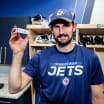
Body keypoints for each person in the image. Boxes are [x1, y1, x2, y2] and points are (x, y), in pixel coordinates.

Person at [8, 9, 104, 104]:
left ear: (74, 27)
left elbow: (97, 97)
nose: (61, 32)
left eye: (66, 25)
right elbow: (14, 88)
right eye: (57, 27)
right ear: (51, 29)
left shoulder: (90, 57)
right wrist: (18, 53)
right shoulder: (40, 57)